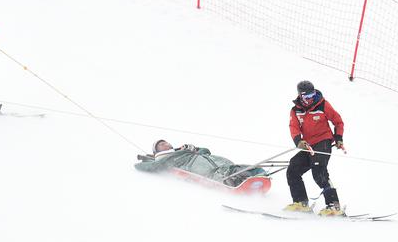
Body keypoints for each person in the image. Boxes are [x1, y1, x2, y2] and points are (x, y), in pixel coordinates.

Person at [285, 80, 345, 215]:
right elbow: (293, 127)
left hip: (323, 142)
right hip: (307, 145)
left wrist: (339, 138)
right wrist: (298, 141)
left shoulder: (323, 105)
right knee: (293, 168)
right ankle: (301, 202)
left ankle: (333, 206)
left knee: (318, 170)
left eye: (312, 95)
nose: (310, 99)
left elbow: (338, 121)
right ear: (300, 96)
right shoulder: (295, 111)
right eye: (306, 97)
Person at [135, 139, 267, 187]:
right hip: (203, 168)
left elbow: (206, 151)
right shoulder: (165, 159)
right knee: (224, 172)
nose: (166, 144)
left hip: (215, 162)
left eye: (166, 142)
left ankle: (256, 174)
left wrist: (195, 149)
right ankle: (235, 179)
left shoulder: (182, 150)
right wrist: (148, 160)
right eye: (162, 144)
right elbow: (149, 166)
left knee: (237, 167)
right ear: (157, 151)